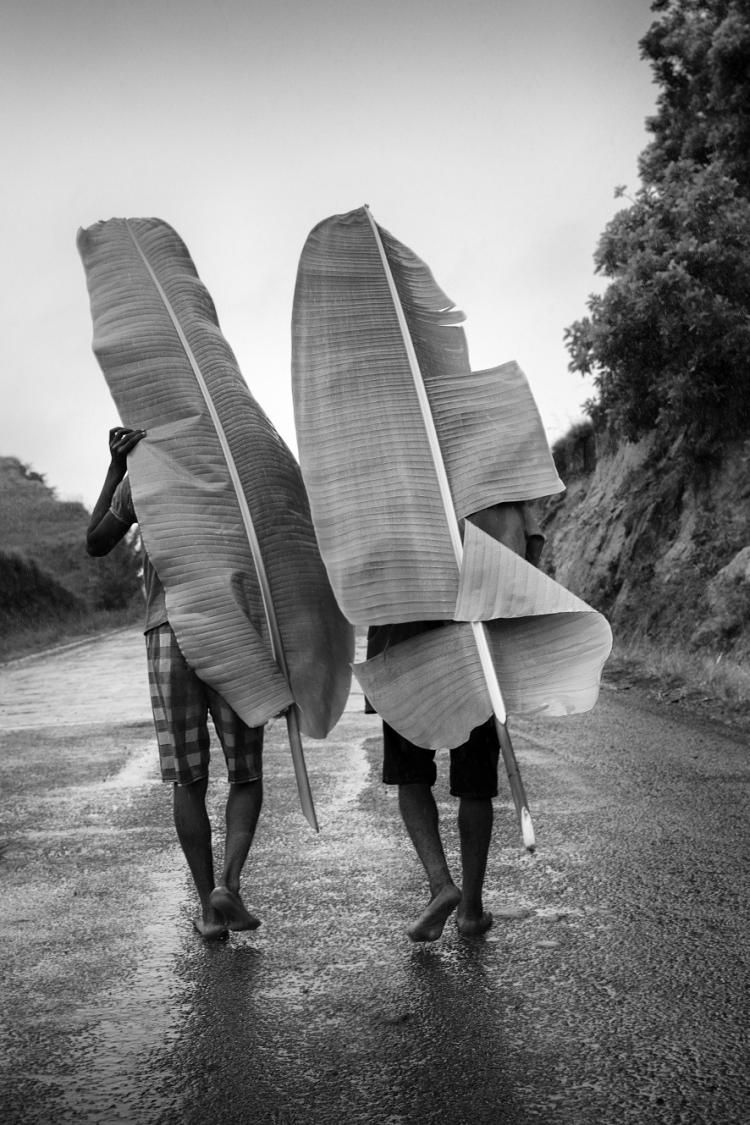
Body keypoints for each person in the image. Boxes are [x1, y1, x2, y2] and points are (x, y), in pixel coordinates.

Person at [87, 426, 264, 941]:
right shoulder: (234, 465)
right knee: (245, 773)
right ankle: (227, 885)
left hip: (168, 633)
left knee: (189, 779)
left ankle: (210, 914)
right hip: (233, 628)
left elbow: (96, 542)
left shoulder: (145, 469)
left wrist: (117, 466)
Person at [367, 501, 545, 943]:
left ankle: (440, 884)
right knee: (475, 780)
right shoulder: (494, 465)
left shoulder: (394, 472)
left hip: (402, 633)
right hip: (478, 634)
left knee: (411, 777)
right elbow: (532, 546)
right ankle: (470, 909)